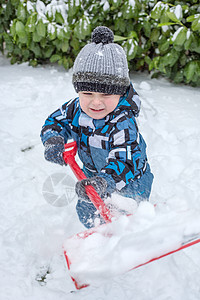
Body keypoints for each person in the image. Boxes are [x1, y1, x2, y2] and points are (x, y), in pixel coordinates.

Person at [40, 26, 154, 229]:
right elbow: (54, 122)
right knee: (88, 213)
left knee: (125, 217)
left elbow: (124, 159)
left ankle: (131, 242)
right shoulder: (75, 108)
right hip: (91, 177)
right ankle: (97, 238)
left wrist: (104, 182)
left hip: (128, 181)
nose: (96, 103)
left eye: (106, 95)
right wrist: (53, 141)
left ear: (120, 93)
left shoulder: (122, 121)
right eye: (88, 94)